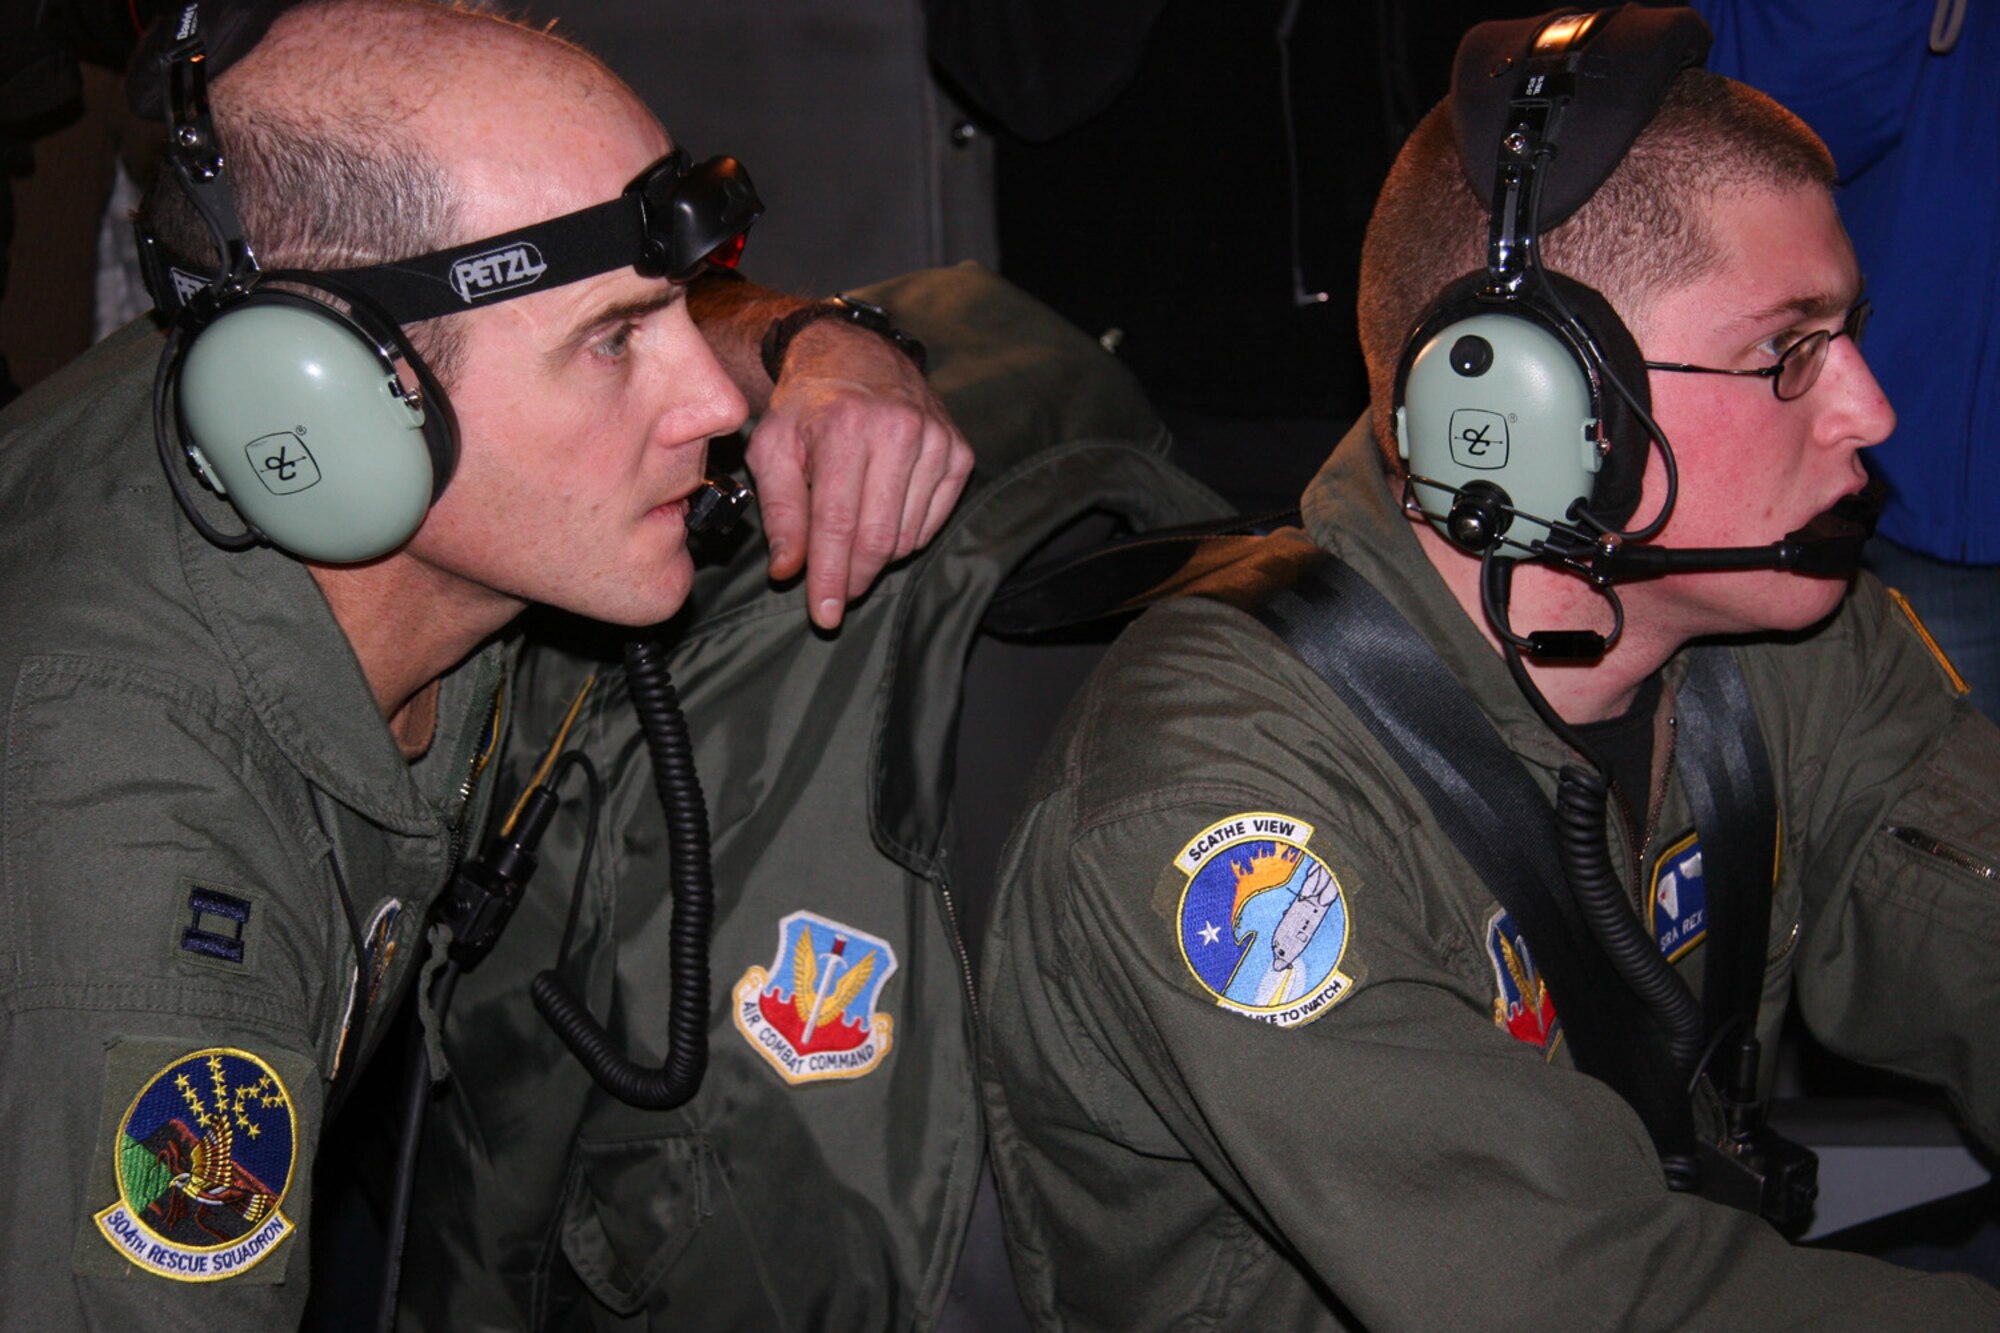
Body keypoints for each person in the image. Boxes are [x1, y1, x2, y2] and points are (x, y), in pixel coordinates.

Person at [978, 7, 2000, 1328]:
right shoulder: (1220, 799)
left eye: (1846, 334)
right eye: (1786, 352)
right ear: (1521, 415)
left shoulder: (1787, 630)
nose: (1868, 408)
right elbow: (1579, 1299)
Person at [0, 0, 969, 1321]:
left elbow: (599, 280)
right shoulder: (130, 884)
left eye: (685, 312)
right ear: (324, 409)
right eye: (618, 340)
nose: (716, 401)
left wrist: (811, 340)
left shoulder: (295, 415)